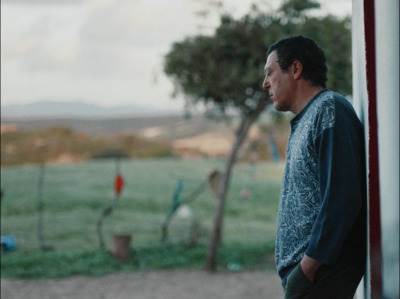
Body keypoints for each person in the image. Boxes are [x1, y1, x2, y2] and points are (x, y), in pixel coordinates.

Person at [262, 35, 366, 298]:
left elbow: (341, 199)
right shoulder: (308, 117)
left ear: (296, 69)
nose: (265, 84)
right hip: (309, 276)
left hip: (320, 275)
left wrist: (308, 267)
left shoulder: (329, 110)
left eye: (270, 73)